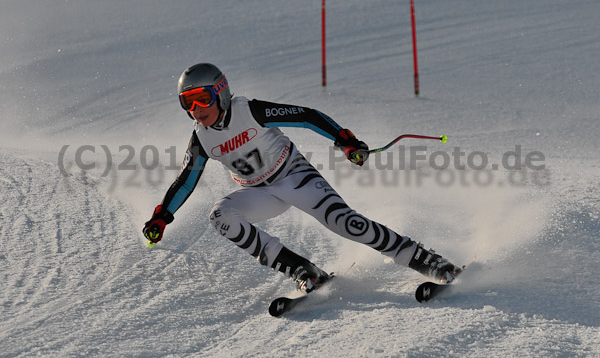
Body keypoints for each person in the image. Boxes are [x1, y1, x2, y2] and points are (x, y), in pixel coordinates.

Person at [143, 63, 461, 293]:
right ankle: (302, 270)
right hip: (260, 192)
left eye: (202, 98)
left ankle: (426, 260)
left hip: (294, 175)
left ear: (221, 93)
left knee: (345, 222)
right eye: (188, 102)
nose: (197, 108)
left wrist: (344, 140)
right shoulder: (201, 138)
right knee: (221, 215)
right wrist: (163, 216)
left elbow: (306, 117)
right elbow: (186, 179)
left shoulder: (249, 110)